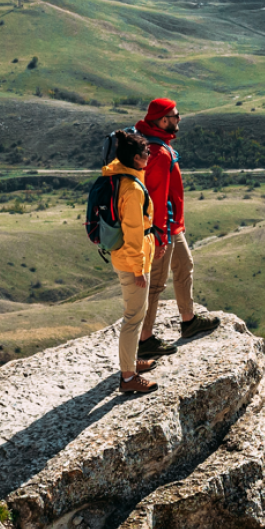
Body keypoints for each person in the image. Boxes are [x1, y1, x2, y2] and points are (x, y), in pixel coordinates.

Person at [134, 98, 219, 359]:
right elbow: (158, 197)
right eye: (174, 116)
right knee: (156, 284)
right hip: (162, 228)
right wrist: (159, 235)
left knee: (184, 265)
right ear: (162, 120)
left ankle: (188, 320)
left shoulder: (155, 143)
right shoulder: (158, 153)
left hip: (172, 226)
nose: (179, 119)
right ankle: (145, 339)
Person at [103, 130, 161, 394]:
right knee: (133, 317)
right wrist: (139, 269)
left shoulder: (121, 178)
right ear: (137, 159)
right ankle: (128, 378)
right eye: (147, 153)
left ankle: (132, 361)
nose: (150, 156)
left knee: (135, 313)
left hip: (127, 257)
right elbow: (134, 232)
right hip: (131, 261)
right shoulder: (133, 188)